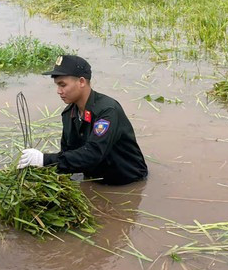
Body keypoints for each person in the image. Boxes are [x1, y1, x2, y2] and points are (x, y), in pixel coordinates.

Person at [18, 55, 148, 185]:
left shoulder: (107, 111)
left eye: (62, 85)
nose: (58, 91)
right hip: (94, 179)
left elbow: (93, 153)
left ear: (81, 82)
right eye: (57, 86)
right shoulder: (69, 114)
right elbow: (69, 154)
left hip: (127, 182)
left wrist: (44, 160)